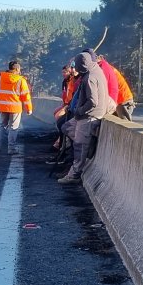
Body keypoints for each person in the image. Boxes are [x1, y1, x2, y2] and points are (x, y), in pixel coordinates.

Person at [59, 50, 112, 185]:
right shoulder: (96, 71)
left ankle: (74, 174)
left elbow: (92, 101)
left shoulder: (90, 78)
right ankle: (88, 144)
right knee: (66, 127)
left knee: (79, 146)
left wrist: (79, 111)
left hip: (89, 116)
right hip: (85, 114)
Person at [0, 59, 33, 155]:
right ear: (17, 69)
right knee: (13, 128)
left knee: (2, 126)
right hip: (15, 108)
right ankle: (11, 149)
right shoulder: (21, 80)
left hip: (3, 107)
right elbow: (26, 96)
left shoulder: (0, 78)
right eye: (19, 69)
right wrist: (29, 109)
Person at [99, 55, 136, 121]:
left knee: (124, 124)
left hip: (123, 100)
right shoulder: (107, 67)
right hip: (118, 100)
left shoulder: (104, 68)